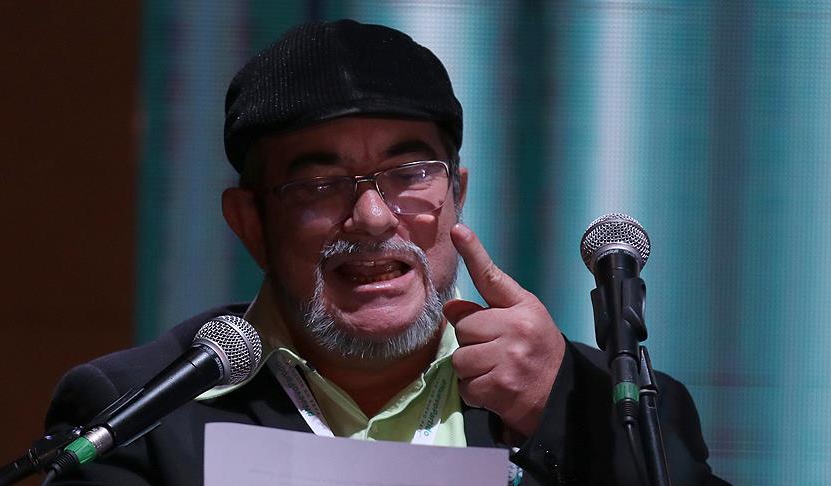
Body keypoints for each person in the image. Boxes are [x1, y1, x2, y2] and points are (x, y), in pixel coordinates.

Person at [45, 19, 728, 485]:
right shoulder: (138, 413)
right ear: (250, 222)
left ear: (457, 195)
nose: (372, 218)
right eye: (319, 183)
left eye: (410, 174)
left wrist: (564, 412)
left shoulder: (620, 408)